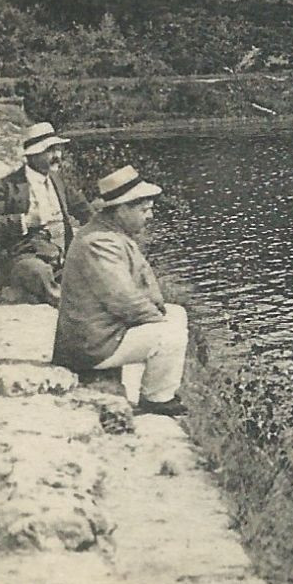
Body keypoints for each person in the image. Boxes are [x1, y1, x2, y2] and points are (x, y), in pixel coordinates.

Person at [52, 166, 189, 417]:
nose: (149, 216)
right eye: (144, 210)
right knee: (170, 334)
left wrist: (159, 312)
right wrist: (159, 320)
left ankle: (160, 388)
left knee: (177, 314)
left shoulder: (109, 232)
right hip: (90, 346)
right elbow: (124, 301)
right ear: (122, 209)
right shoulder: (99, 243)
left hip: (101, 331)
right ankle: (156, 400)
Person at [0, 121, 95, 305]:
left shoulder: (58, 181)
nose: (57, 155)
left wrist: (102, 228)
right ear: (32, 155)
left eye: (58, 149)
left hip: (59, 254)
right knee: (36, 271)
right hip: (20, 256)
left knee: (92, 264)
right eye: (50, 150)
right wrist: (23, 221)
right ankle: (64, 300)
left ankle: (29, 292)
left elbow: (83, 209)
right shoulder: (6, 186)